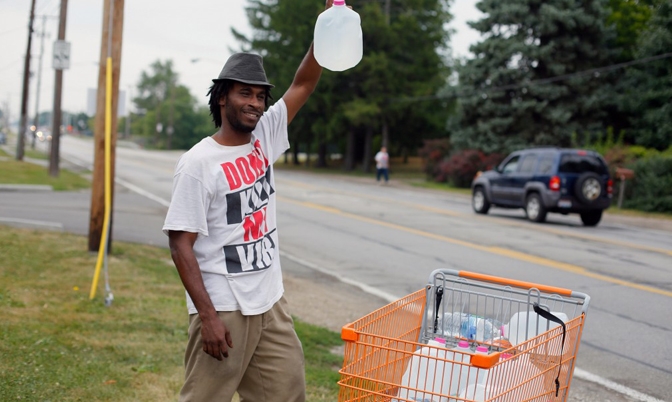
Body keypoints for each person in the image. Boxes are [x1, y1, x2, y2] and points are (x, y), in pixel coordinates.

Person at [162, 4, 329, 399]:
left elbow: (303, 83)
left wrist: (327, 26)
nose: (255, 103)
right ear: (222, 98)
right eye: (245, 93)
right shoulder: (199, 163)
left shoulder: (264, 139)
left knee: (287, 394)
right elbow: (179, 243)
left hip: (270, 302)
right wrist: (208, 317)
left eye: (260, 95)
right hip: (225, 307)